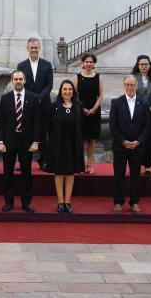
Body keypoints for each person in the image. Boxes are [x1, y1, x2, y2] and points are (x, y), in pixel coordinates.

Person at [0, 70, 41, 213]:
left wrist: (36, 142)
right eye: (15, 79)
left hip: (26, 141)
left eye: (20, 79)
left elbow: (36, 122)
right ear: (11, 81)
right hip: (9, 141)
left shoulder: (33, 98)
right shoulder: (5, 98)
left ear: (25, 81)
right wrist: (0, 141)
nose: (18, 81)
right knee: (7, 173)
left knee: (26, 173)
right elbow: (1, 121)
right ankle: (8, 202)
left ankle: (26, 202)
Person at [109, 75, 149, 214]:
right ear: (123, 85)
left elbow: (147, 126)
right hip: (121, 146)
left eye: (132, 85)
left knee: (135, 177)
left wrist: (138, 141)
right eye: (127, 85)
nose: (130, 87)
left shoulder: (144, 104)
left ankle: (134, 202)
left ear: (137, 86)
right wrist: (123, 141)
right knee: (119, 175)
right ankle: (118, 202)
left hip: (137, 147)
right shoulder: (116, 102)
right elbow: (112, 126)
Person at [46, 80, 84, 213]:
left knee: (70, 173)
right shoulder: (53, 106)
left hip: (73, 145)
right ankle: (60, 202)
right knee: (59, 173)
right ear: (60, 91)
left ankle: (68, 202)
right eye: (64, 89)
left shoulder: (78, 106)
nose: (67, 92)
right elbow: (49, 127)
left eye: (70, 89)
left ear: (73, 91)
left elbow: (81, 127)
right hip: (58, 144)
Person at [17, 38, 54, 170]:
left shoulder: (47, 65)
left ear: (39, 49)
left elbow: (49, 85)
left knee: (43, 133)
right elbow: (20, 84)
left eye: (36, 48)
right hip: (26, 105)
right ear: (27, 49)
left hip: (43, 104)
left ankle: (43, 161)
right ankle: (23, 162)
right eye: (31, 48)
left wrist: (38, 97)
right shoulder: (21, 66)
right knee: (25, 134)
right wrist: (31, 99)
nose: (34, 50)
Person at [132, 55, 151, 176]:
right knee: (138, 138)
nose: (143, 66)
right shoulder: (133, 78)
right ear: (138, 65)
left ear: (149, 65)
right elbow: (129, 93)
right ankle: (137, 164)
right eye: (141, 64)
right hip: (137, 112)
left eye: (146, 64)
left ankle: (148, 165)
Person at [74, 52, 103, 174]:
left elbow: (100, 95)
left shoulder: (98, 77)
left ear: (94, 63)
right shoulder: (77, 77)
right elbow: (74, 95)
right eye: (86, 62)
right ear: (83, 63)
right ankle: (81, 164)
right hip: (81, 111)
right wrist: (83, 108)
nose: (88, 64)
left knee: (91, 139)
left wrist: (94, 109)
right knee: (81, 139)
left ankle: (89, 164)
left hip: (94, 111)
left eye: (91, 62)